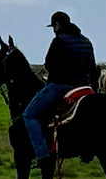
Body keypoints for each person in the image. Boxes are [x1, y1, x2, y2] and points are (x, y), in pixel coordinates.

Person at [20, 11, 98, 165]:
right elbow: (92, 67)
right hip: (85, 87)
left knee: (29, 115)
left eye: (53, 27)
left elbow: (49, 64)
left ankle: (42, 155)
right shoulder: (86, 41)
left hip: (62, 86)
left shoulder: (59, 41)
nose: (54, 30)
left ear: (57, 25)